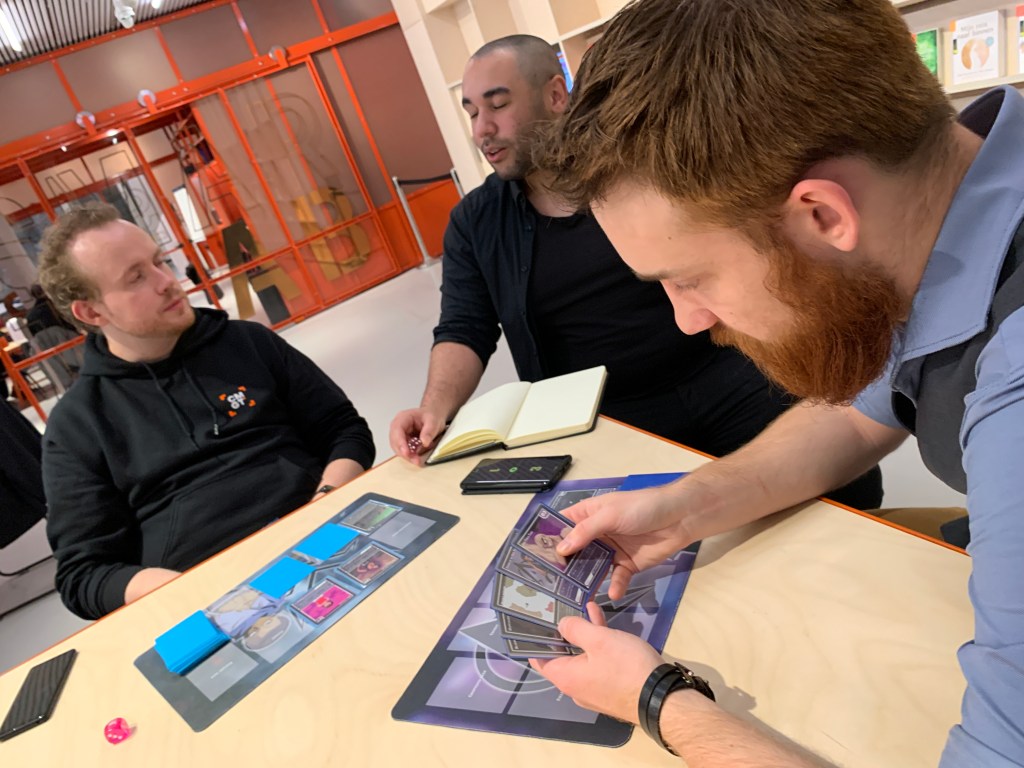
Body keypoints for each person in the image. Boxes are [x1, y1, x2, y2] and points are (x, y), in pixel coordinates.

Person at [526, 1, 1024, 765]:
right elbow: (859, 414)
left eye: (690, 277)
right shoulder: (948, 197)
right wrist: (684, 507)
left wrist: (658, 700)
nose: (687, 319)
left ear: (821, 215)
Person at [387, 35, 882, 510]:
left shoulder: (639, 171)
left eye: (497, 105)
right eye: (472, 112)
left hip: (727, 367)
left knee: (838, 494)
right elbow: (464, 327)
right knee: (639, 541)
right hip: (605, 415)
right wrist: (434, 407)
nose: (482, 130)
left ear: (556, 95)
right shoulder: (476, 223)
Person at [38, 203, 375, 620]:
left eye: (159, 261)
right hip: (211, 600)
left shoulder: (249, 343)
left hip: (323, 536)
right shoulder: (77, 424)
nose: (167, 282)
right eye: (136, 277)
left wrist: (325, 506)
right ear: (91, 312)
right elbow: (83, 574)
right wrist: (193, 593)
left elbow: (344, 430)